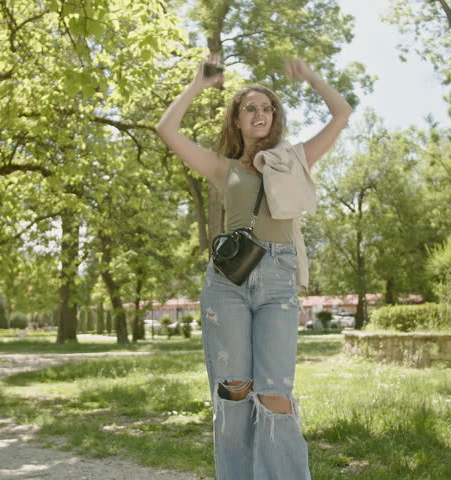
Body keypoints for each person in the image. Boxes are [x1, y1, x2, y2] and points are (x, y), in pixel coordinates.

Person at [156, 53, 352, 479]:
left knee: (274, 394)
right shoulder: (222, 168)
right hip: (228, 284)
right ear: (238, 121)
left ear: (274, 118)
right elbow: (166, 130)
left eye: (267, 107)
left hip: (278, 281)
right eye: (251, 108)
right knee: (233, 393)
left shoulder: (297, 158)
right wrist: (197, 85)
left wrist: (310, 75)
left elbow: (342, 113)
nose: (259, 113)